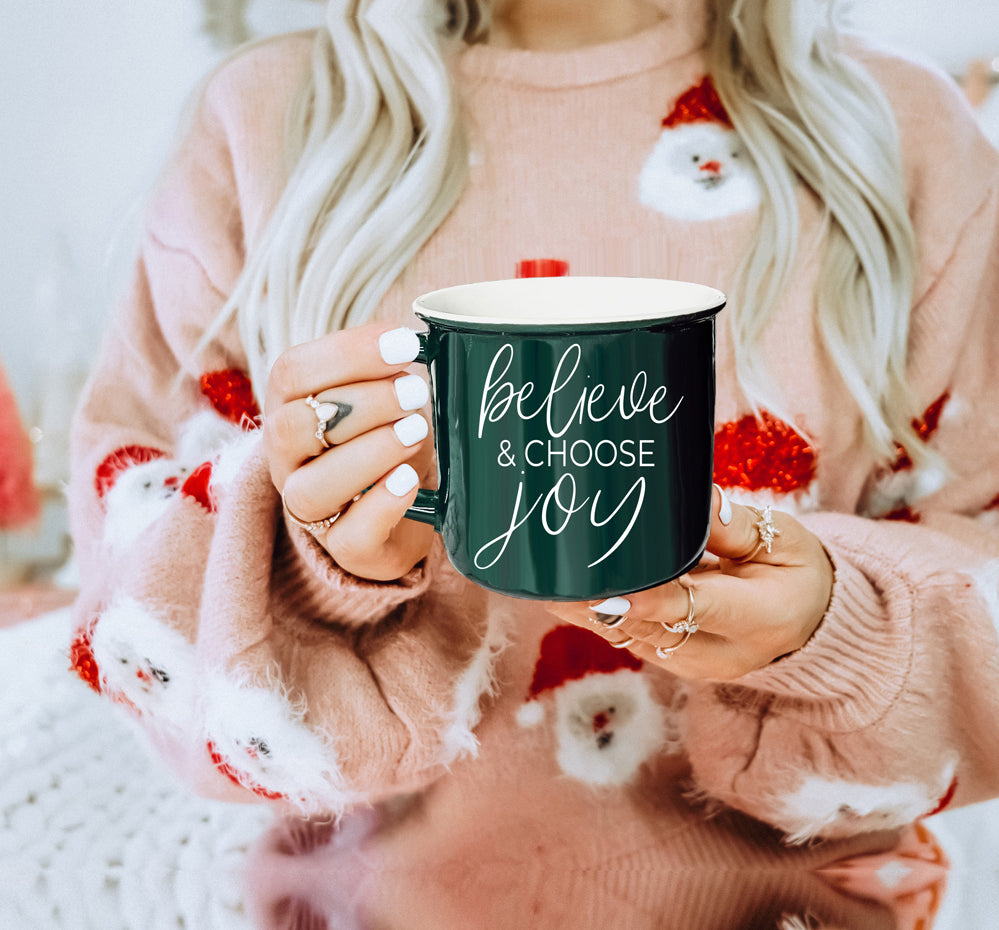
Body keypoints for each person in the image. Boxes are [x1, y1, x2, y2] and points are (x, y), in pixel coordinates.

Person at [69, 0, 999, 897]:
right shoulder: (266, 125)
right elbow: (140, 629)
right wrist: (314, 577)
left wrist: (836, 633)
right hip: (378, 896)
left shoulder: (898, 132)